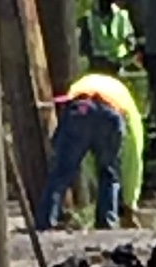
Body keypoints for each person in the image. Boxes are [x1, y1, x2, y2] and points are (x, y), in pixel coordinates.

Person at [37, 72, 145, 232]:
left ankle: (46, 221)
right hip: (110, 114)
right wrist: (130, 201)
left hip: (79, 109)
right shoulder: (128, 107)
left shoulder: (80, 85)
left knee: (61, 173)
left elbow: (74, 149)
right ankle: (107, 222)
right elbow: (134, 158)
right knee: (109, 173)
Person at [78, 0, 137, 74]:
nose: (106, 2)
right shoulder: (89, 18)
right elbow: (84, 45)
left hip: (118, 63)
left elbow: (130, 39)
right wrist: (91, 57)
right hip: (98, 62)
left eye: (109, 0)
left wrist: (130, 52)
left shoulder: (122, 16)